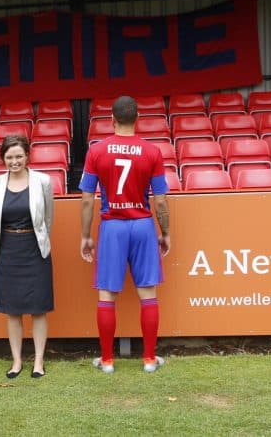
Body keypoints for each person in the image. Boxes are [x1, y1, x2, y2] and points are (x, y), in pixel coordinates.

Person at [78, 95, 171, 374]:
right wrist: (165, 231)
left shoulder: (97, 150)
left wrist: (85, 236)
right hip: (142, 224)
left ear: (112, 119)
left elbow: (86, 199)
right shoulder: (152, 151)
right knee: (148, 294)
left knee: (107, 295)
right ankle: (149, 360)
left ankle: (107, 361)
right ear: (137, 118)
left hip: (113, 226)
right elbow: (161, 201)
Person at [0, 135, 55, 379]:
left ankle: (38, 361)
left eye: (19, 156)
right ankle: (16, 362)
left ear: (27, 156)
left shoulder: (43, 181)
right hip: (6, 250)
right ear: (2, 159)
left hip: (35, 249)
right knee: (12, 310)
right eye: (9, 157)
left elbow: (47, 219)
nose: (14, 161)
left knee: (38, 309)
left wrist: (40, 240)